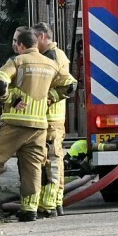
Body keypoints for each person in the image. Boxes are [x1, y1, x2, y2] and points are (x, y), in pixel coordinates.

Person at [0, 26, 74, 222]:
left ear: (21, 45)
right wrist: (51, 97)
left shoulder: (17, 61)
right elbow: (71, 85)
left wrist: (10, 99)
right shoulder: (50, 64)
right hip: (39, 127)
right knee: (33, 168)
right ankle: (30, 210)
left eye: (16, 44)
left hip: (15, 123)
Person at [35, 23, 73, 217]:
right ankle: (54, 202)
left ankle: (50, 203)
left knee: (51, 161)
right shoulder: (53, 55)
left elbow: (68, 85)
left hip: (50, 118)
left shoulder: (52, 56)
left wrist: (48, 98)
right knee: (52, 160)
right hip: (50, 118)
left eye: (34, 39)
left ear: (42, 37)